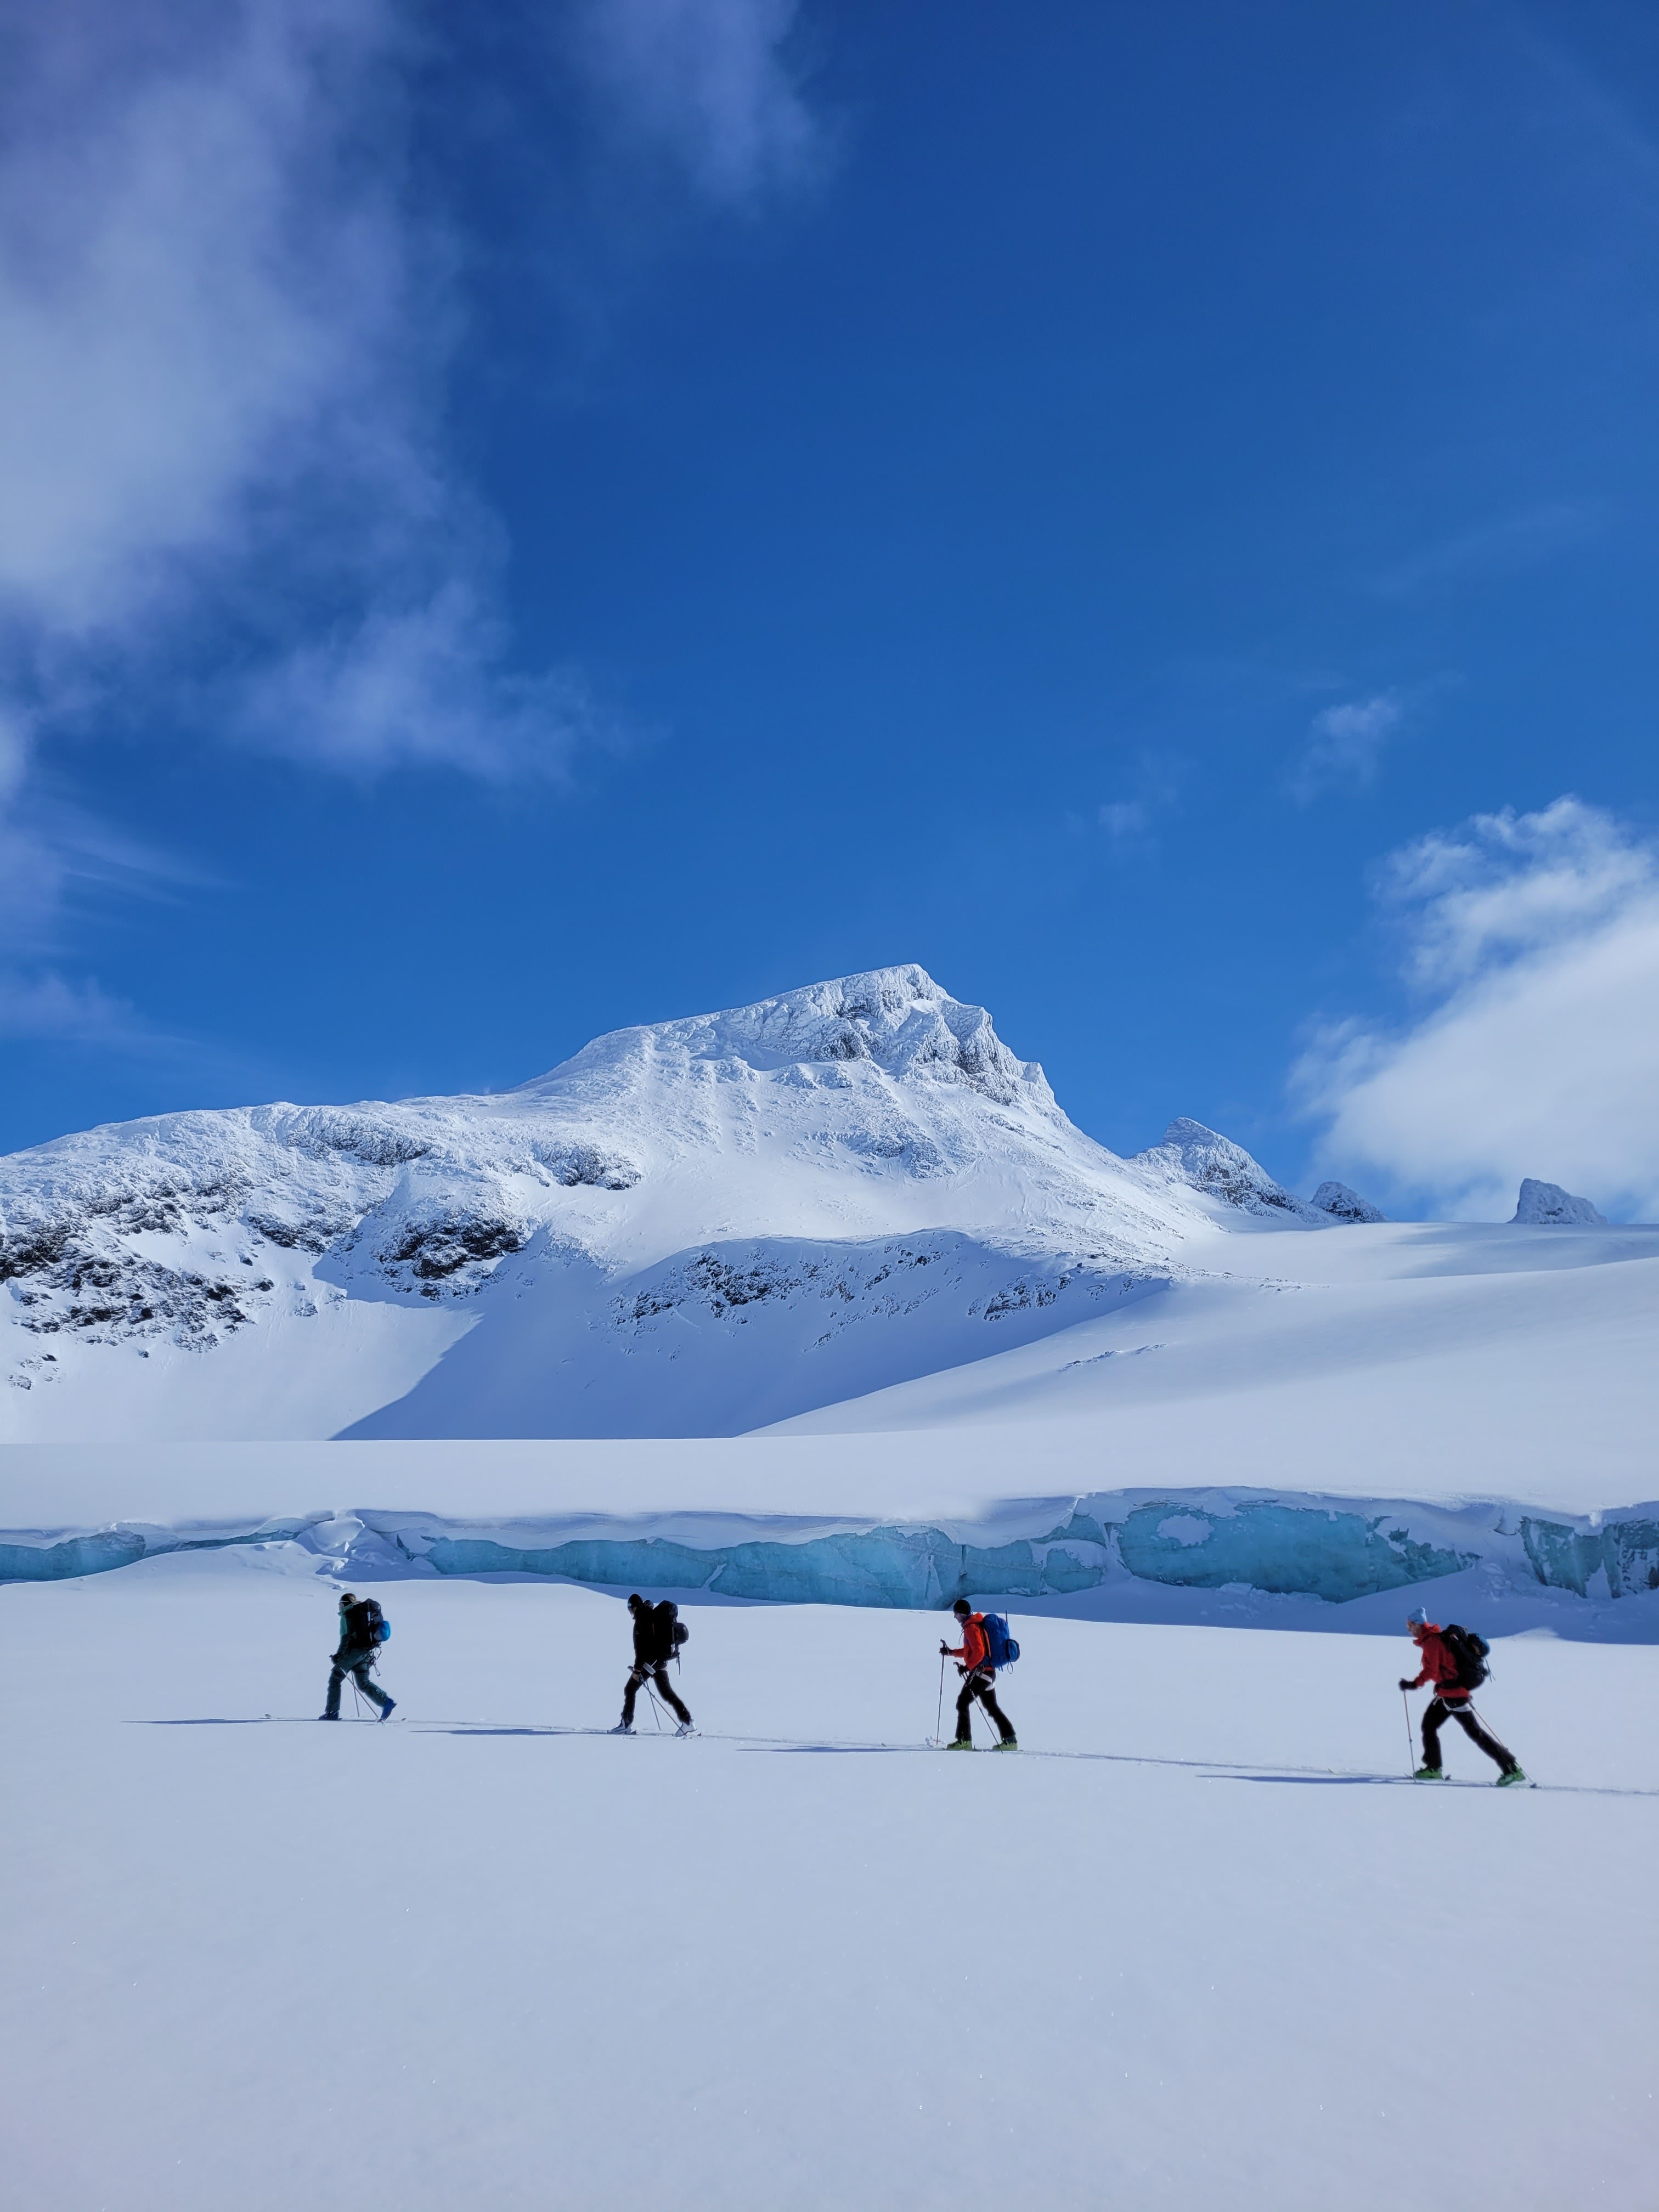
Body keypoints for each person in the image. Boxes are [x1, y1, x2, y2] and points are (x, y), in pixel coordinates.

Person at [1399, 1606, 1524, 1783]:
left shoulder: (1431, 1643)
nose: (1408, 1630)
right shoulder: (1432, 1639)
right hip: (1447, 1693)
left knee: (1475, 1733)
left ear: (1418, 1625)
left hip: (1454, 1695)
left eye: (1409, 1626)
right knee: (1430, 1726)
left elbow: (1431, 1670)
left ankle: (1511, 1767)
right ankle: (1434, 1767)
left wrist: (1414, 1684)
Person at [941, 1596, 1017, 1750]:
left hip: (981, 1673)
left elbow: (979, 1653)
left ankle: (964, 1742)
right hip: (989, 1673)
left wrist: (967, 1668)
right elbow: (970, 1651)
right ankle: (1011, 1741)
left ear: (961, 1613)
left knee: (962, 1703)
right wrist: (951, 1652)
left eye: (955, 1615)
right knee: (992, 1707)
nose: (955, 1618)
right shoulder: (975, 1625)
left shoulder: (971, 1628)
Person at [614, 1592, 693, 1735]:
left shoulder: (641, 1621)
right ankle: (688, 1722)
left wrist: (638, 1671)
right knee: (666, 1692)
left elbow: (640, 1649)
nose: (630, 1612)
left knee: (630, 1688)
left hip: (653, 1661)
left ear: (634, 1607)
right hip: (660, 1659)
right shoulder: (650, 1616)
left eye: (630, 1608)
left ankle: (625, 1724)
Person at [320, 1590, 395, 1722]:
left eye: (340, 1604)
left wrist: (339, 1656)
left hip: (353, 1653)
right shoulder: (362, 1614)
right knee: (364, 1683)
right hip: (366, 1653)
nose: (339, 1606)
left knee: (336, 1679)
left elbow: (346, 1639)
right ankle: (386, 1702)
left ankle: (332, 1712)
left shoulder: (347, 1615)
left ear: (345, 1604)